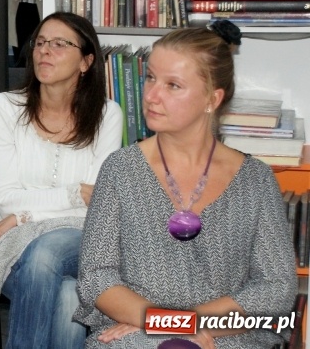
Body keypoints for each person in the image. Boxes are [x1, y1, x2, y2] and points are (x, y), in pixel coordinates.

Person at [75, 21, 297, 349]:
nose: (150, 95)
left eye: (173, 85)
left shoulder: (256, 181)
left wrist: (191, 324)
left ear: (212, 98)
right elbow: (96, 277)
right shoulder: (120, 170)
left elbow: (276, 288)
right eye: (150, 77)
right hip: (136, 331)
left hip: (226, 335)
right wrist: (171, 324)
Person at [0, 11, 122, 349]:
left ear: (86, 61)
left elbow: (98, 206)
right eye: (41, 43)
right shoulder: (5, 108)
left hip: (80, 239)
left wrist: (24, 215)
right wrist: (76, 193)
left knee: (46, 252)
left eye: (60, 44)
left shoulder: (107, 115)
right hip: (13, 245)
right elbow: (5, 197)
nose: (45, 51)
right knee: (66, 297)